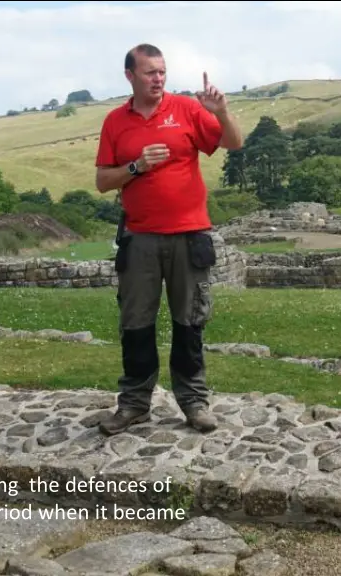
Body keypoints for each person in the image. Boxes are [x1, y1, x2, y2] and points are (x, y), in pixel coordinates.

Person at [93, 43, 243, 436]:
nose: (158, 79)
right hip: (139, 238)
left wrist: (221, 112)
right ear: (130, 75)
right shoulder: (114, 122)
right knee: (136, 324)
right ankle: (134, 404)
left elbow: (234, 143)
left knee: (189, 322)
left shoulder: (187, 109)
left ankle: (194, 403)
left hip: (188, 236)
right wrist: (136, 166)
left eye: (162, 71)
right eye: (150, 72)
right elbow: (102, 181)